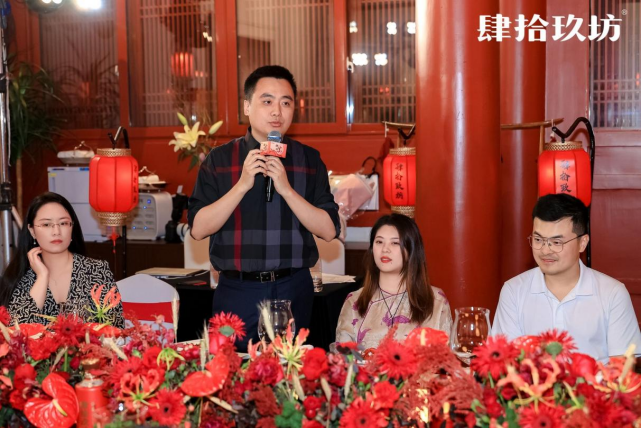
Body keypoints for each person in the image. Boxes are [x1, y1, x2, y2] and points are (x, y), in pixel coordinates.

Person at [188, 65, 340, 350]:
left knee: (290, 372)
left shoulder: (308, 160)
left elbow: (329, 230)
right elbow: (197, 229)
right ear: (247, 106)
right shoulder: (220, 160)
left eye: (286, 103)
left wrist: (287, 190)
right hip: (237, 291)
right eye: (267, 101)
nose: (277, 112)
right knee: (230, 370)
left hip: (293, 288)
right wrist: (242, 184)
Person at [492, 194, 641, 362]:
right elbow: (504, 362)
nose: (545, 250)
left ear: (582, 243)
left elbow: (622, 368)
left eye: (556, 242)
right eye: (538, 239)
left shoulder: (612, 294)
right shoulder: (514, 291)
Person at [0, 192, 125, 328]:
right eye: (46, 224)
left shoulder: (96, 270)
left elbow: (115, 327)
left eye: (63, 223)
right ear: (32, 231)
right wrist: (42, 276)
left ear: (72, 227)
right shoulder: (21, 276)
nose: (56, 231)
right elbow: (17, 332)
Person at [335, 214, 452, 349]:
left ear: (411, 250)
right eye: (379, 242)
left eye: (395, 243)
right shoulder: (355, 302)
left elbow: (445, 357)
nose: (385, 249)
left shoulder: (436, 301)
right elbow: (344, 358)